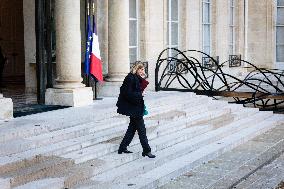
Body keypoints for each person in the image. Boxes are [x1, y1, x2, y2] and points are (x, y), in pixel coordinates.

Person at [116, 61, 156, 158]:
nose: (143, 71)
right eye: (141, 69)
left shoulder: (136, 77)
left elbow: (140, 88)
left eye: (143, 69)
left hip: (136, 107)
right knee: (142, 130)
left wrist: (142, 78)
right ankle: (146, 150)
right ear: (136, 69)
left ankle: (122, 147)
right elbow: (127, 93)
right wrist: (140, 94)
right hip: (133, 108)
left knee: (132, 129)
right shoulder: (129, 78)